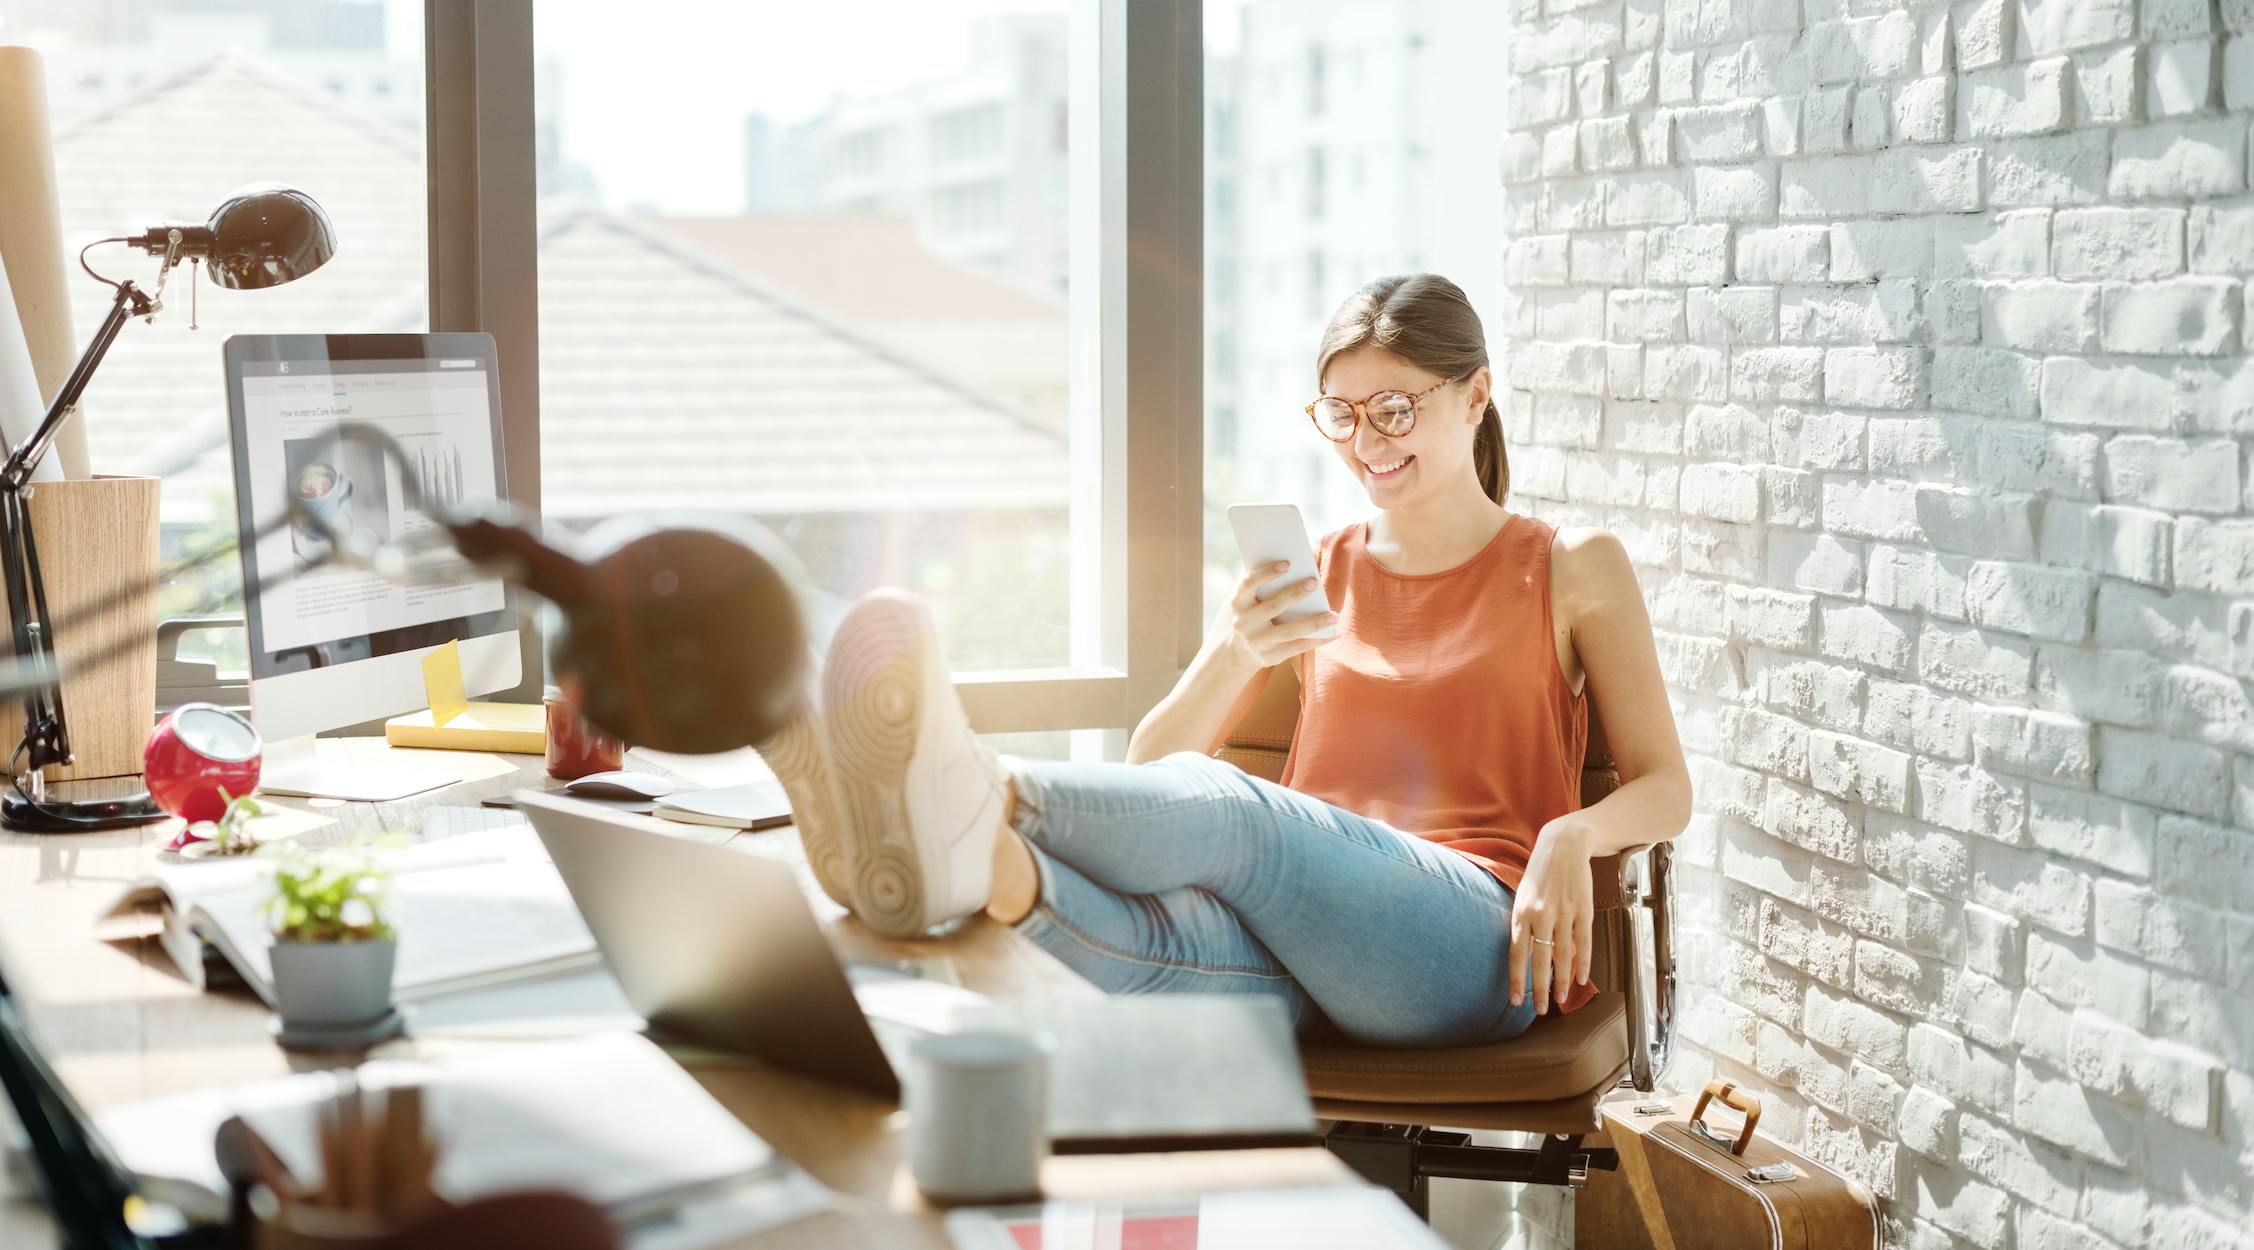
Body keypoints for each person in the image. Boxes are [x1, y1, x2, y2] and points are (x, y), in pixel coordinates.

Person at [760, 273, 1690, 1049]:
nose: (1366, 443)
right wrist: (1230, 649)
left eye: (1396, 409)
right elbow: (1150, 765)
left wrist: (1573, 834)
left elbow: (1666, 788)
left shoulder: (1570, 567)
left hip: (1474, 945)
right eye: (1342, 412)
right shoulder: (1317, 568)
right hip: (1291, 945)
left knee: (1250, 818)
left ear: (1475, 396)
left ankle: (960, 788)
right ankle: (938, 858)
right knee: (1139, 939)